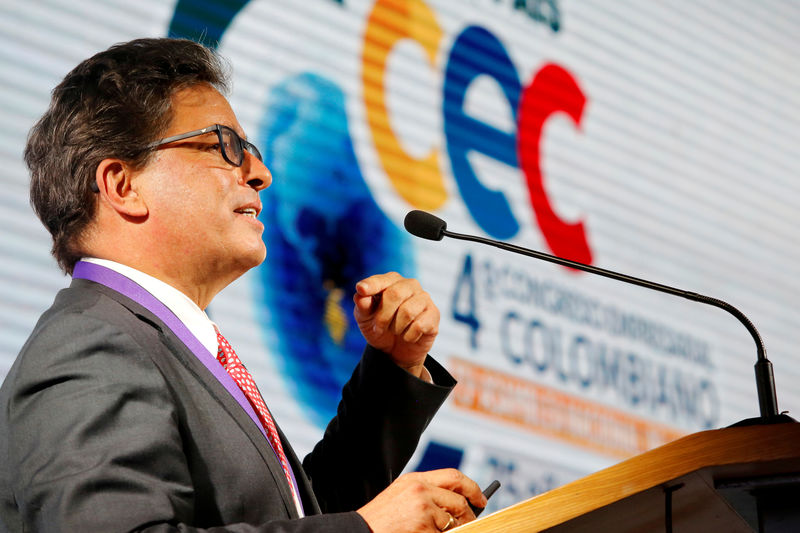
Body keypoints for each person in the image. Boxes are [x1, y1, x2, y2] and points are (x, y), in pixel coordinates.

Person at [0, 38, 485, 532]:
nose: (261, 174)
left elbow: (302, 516)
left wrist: (394, 367)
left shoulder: (160, 344)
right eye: (224, 145)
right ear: (124, 186)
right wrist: (364, 531)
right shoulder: (89, 346)